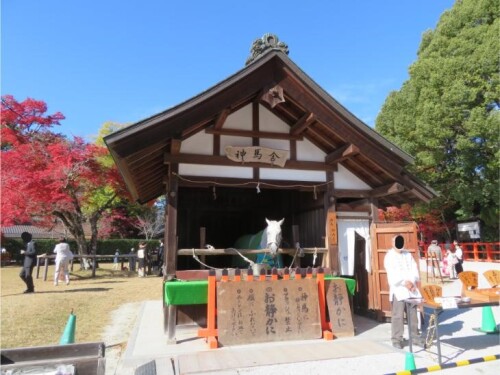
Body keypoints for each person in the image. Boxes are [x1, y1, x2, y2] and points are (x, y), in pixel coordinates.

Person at [384, 234, 425, 349]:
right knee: (398, 315)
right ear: (392, 243)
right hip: (399, 289)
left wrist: (411, 281)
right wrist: (404, 282)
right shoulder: (389, 256)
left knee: (412, 313)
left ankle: (415, 337)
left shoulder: (408, 254)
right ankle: (397, 338)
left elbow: (414, 268)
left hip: (411, 289)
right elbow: (392, 273)